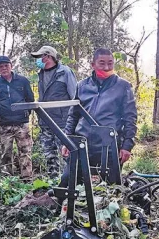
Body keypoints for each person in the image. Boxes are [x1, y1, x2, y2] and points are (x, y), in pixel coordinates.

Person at [61, 48, 137, 186]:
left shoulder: (123, 86)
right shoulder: (82, 86)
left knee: (112, 188)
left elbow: (130, 118)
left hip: (109, 146)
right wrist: (67, 140)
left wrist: (127, 146)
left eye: (110, 63)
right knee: (68, 182)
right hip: (82, 143)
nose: (106, 67)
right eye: (102, 63)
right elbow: (73, 115)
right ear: (93, 64)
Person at [31, 45, 77, 178]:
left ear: (48, 56)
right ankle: (53, 181)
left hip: (62, 122)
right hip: (45, 121)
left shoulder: (65, 72)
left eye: (40, 57)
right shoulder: (41, 74)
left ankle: (69, 182)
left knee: (66, 154)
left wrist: (74, 121)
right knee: (49, 155)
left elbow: (75, 97)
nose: (38, 60)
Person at [0, 56, 35, 180]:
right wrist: (2, 113)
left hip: (22, 123)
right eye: (1, 66)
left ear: (11, 65)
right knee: (5, 153)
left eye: (6, 65)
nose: (4, 68)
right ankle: (7, 179)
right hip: (4, 124)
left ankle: (27, 178)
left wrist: (25, 114)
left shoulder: (22, 81)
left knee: (25, 152)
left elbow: (30, 99)